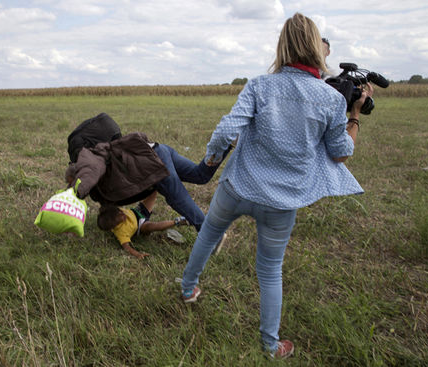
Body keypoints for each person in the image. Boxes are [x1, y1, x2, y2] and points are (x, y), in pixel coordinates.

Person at [180, 13, 373, 359]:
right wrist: (354, 114)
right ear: (318, 49)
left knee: (208, 234)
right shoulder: (332, 100)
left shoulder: (259, 85)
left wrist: (211, 159)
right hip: (282, 202)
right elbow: (341, 153)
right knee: (270, 269)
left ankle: (187, 289)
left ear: (282, 46)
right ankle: (270, 344)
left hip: (237, 187)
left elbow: (226, 131)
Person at [68, 132, 232, 232]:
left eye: (71, 180)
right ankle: (225, 143)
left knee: (176, 196)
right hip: (157, 150)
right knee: (200, 175)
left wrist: (73, 194)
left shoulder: (90, 164)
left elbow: (90, 173)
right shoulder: (101, 192)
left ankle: (210, 233)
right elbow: (109, 207)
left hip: (150, 163)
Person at [97, 191, 188, 259]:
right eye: (120, 218)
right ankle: (177, 221)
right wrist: (138, 254)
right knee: (152, 226)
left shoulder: (113, 211)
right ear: (114, 226)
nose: (122, 215)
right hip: (141, 226)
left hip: (138, 212)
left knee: (153, 193)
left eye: (120, 212)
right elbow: (127, 247)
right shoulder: (121, 232)